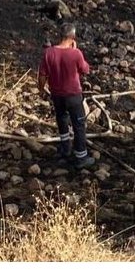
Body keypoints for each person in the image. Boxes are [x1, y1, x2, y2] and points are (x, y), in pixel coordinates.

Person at [35, 22, 95, 168]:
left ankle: (65, 149)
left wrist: (41, 89)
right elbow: (85, 69)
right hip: (73, 95)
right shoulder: (76, 53)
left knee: (61, 120)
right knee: (78, 125)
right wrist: (76, 51)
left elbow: (42, 75)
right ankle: (81, 156)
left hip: (57, 95)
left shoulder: (49, 52)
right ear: (73, 37)